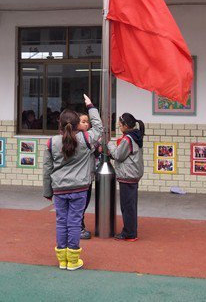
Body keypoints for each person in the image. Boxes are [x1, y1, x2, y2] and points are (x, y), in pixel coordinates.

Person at [43, 94, 103, 271]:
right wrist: (90, 105)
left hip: (59, 188)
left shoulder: (51, 142)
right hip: (80, 188)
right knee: (75, 222)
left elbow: (47, 169)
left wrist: (48, 191)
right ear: (78, 124)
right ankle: (73, 259)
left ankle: (62, 260)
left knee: (61, 221)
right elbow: (99, 127)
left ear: (59, 123)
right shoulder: (85, 139)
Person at [107, 113, 145, 242]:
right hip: (133, 175)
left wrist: (109, 144)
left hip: (127, 175)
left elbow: (118, 155)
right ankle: (131, 231)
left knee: (127, 206)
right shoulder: (136, 136)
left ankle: (129, 233)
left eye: (120, 125)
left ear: (125, 125)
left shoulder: (128, 138)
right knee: (130, 205)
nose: (119, 127)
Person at [77, 112, 103, 240]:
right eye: (83, 121)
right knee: (80, 204)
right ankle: (78, 227)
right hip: (80, 178)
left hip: (87, 176)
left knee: (84, 203)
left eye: (87, 121)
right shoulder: (80, 138)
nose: (86, 123)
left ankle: (77, 225)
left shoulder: (87, 137)